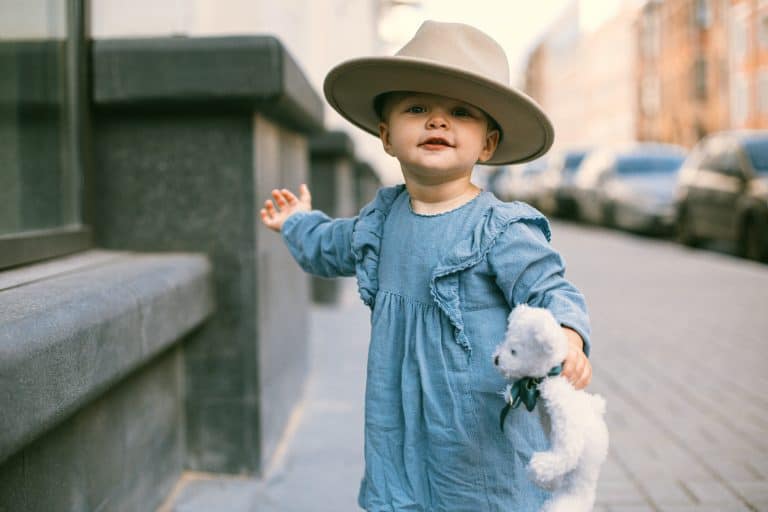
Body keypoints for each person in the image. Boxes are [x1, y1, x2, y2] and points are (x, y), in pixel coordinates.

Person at [260, 20, 592, 512]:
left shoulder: (500, 228)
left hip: (477, 437)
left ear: (488, 145)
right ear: (386, 135)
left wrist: (568, 335)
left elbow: (549, 288)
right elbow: (330, 244)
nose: (438, 121)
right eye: (417, 108)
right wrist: (295, 222)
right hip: (399, 427)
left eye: (460, 112)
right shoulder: (380, 222)